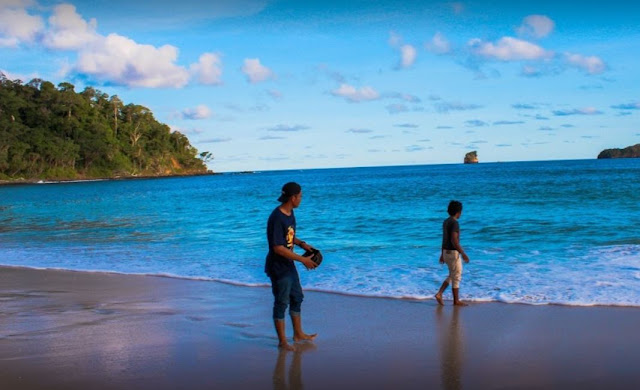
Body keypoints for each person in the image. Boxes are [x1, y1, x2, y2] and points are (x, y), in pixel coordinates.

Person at [265, 182, 318, 351]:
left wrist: (302, 244)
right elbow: (278, 247)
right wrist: (303, 260)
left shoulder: (290, 213)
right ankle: (282, 342)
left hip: (288, 264)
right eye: (300, 196)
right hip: (278, 266)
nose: (301, 199)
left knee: (297, 297)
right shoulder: (277, 217)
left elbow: (289, 236)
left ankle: (298, 334)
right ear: (293, 197)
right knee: (281, 302)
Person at [435, 200, 470, 306]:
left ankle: (440, 294)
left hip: (446, 252)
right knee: (457, 275)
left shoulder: (446, 221)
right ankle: (455, 300)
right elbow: (454, 240)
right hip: (452, 253)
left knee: (452, 274)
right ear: (458, 212)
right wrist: (463, 253)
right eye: (461, 212)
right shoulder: (455, 223)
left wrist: (442, 254)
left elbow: (444, 239)